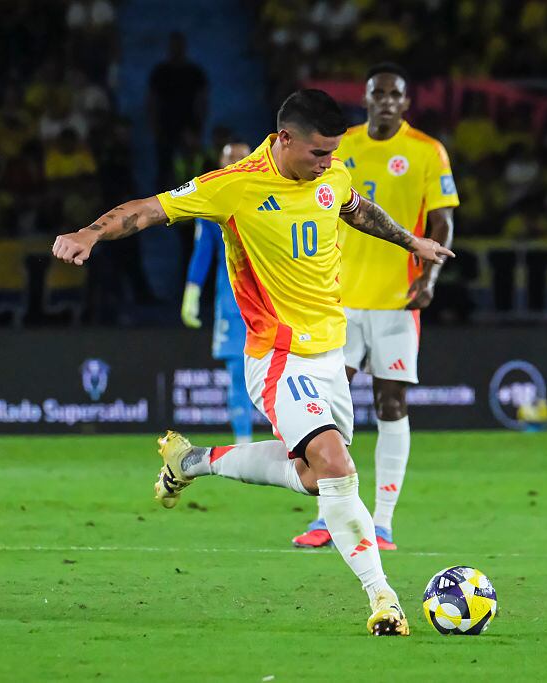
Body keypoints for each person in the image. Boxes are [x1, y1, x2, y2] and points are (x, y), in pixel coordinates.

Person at [52, 89, 454, 636]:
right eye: (318, 154)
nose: (328, 164)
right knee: (337, 469)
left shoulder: (330, 175)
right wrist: (89, 234)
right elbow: (148, 210)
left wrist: (413, 243)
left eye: (334, 153)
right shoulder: (235, 185)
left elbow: (355, 207)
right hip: (277, 355)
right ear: (284, 140)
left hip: (330, 354)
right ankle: (383, 597)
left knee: (315, 479)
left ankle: (193, 462)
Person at [291, 63, 458, 551]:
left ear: (406, 103)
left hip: (395, 301)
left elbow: (443, 221)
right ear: (365, 99)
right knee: (326, 409)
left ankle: (381, 521)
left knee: (391, 403)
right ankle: (328, 515)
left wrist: (429, 277)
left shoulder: (427, 151)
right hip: (337, 299)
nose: (386, 100)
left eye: (395, 94)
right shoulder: (341, 146)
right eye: (377, 93)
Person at [181, 141, 255, 445]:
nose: (236, 163)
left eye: (242, 158)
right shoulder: (212, 200)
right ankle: (244, 441)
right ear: (221, 163)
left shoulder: (271, 194)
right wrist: (192, 292)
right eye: (230, 159)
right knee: (238, 373)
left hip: (275, 301)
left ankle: (294, 439)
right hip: (233, 303)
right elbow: (203, 251)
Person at [146, 32, 207, 189]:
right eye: (173, 46)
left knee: (191, 171)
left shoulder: (194, 73)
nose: (176, 49)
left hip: (189, 127)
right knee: (165, 170)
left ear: (184, 48)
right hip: (165, 128)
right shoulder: (160, 72)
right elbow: (152, 101)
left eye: (179, 46)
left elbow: (202, 101)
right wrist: (155, 127)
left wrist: (198, 128)